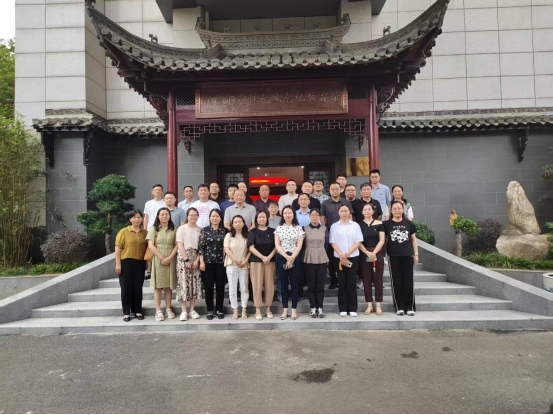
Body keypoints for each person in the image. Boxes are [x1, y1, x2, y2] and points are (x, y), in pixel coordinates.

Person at [384, 200, 418, 316]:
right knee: (396, 282)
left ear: (403, 210)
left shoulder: (409, 223)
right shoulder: (387, 224)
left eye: (399, 208)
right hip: (393, 256)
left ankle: (410, 307)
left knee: (408, 281)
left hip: (407, 255)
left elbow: (413, 239)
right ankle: (399, 306)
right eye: (394, 209)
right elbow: (383, 240)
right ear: (391, 211)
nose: (397, 210)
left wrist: (416, 254)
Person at [330, 204, 363, 317]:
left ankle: (353, 308)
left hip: (353, 257)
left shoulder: (355, 225)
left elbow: (358, 241)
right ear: (338, 212)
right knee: (342, 282)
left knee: (352, 282)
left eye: (346, 211)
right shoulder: (334, 226)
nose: (344, 213)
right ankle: (343, 308)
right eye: (342, 211)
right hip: (339, 257)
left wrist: (347, 254)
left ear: (349, 212)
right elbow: (332, 241)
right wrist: (341, 255)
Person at [115, 210, 148, 321]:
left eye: (139, 217)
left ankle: (137, 311)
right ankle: (126, 312)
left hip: (140, 263)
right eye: (134, 217)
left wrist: (147, 263)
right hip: (126, 262)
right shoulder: (123, 232)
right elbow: (118, 248)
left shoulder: (145, 232)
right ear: (130, 219)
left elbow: (147, 249)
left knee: (138, 287)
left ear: (142, 219)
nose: (136, 219)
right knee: (126, 287)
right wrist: (118, 264)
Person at [274, 205, 305, 320]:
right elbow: (277, 245)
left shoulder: (298, 228)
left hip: (294, 257)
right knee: (283, 284)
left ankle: (294, 310)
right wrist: (287, 257)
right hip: (282, 257)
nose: (287, 215)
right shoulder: (279, 228)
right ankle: (285, 309)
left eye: (289, 213)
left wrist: (292, 257)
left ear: (293, 214)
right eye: (285, 213)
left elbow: (299, 245)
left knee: (295, 284)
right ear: (282, 215)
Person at [147, 207, 178, 322]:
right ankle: (158, 310)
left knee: (169, 285)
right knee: (158, 285)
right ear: (158, 216)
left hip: (171, 257)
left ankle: (168, 308)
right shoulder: (153, 229)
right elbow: (150, 245)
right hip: (157, 257)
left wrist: (170, 257)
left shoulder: (174, 229)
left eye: (166, 214)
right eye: (162, 214)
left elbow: (177, 245)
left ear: (169, 216)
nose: (164, 216)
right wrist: (161, 257)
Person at [320, 182, 352, 289]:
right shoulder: (325, 203)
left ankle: (345, 280)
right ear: (329, 191)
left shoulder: (346, 202)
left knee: (345, 254)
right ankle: (333, 280)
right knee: (332, 258)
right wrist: (325, 230)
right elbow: (322, 218)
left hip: (345, 233)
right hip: (331, 233)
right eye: (332, 189)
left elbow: (350, 216)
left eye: (337, 189)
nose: (334, 191)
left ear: (341, 190)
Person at [198, 209, 227, 320]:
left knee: (220, 287)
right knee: (208, 287)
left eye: (217, 216)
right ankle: (210, 310)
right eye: (213, 216)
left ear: (220, 218)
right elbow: (201, 247)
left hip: (221, 263)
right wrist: (201, 262)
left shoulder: (225, 231)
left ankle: (219, 309)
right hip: (207, 263)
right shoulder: (205, 230)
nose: (215, 218)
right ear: (210, 218)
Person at [248, 211, 277, 320]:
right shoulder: (252, 232)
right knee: (257, 286)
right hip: (256, 262)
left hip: (270, 261)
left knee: (269, 286)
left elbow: (276, 246)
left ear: (267, 218)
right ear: (256, 219)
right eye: (259, 217)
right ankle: (258, 310)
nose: (261, 219)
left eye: (263, 217)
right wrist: (263, 257)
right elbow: (251, 247)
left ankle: (268, 309)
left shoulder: (273, 231)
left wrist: (269, 257)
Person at [358, 203, 385, 316]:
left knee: (378, 278)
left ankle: (378, 304)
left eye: (369, 209)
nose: (367, 211)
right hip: (364, 253)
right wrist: (366, 252)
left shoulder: (379, 223)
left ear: (373, 211)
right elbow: (358, 241)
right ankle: (369, 304)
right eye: (365, 209)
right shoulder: (358, 225)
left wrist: (374, 253)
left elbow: (382, 240)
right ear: (362, 212)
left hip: (377, 253)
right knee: (366, 279)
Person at [176, 207, 203, 321]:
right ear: (187, 216)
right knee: (183, 283)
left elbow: (201, 246)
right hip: (183, 258)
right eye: (191, 215)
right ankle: (183, 311)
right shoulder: (182, 228)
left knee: (194, 284)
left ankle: (192, 309)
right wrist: (186, 260)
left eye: (195, 215)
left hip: (195, 257)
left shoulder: (200, 229)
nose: (193, 217)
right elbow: (180, 244)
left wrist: (197, 260)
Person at [302, 208, 328, 318]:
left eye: (316, 215)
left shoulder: (324, 229)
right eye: (312, 215)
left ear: (319, 217)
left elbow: (327, 244)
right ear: (309, 217)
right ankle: (312, 307)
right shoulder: (304, 228)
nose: (314, 217)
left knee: (320, 285)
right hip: (309, 257)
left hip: (322, 257)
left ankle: (320, 308)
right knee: (311, 285)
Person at [224, 215, 251, 320]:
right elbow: (226, 249)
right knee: (232, 289)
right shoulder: (229, 235)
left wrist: (246, 260)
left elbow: (250, 250)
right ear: (232, 224)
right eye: (235, 222)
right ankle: (235, 310)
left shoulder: (247, 235)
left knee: (244, 288)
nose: (238, 224)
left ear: (243, 223)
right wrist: (235, 260)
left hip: (244, 264)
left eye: (240, 222)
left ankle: (244, 309)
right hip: (231, 264)